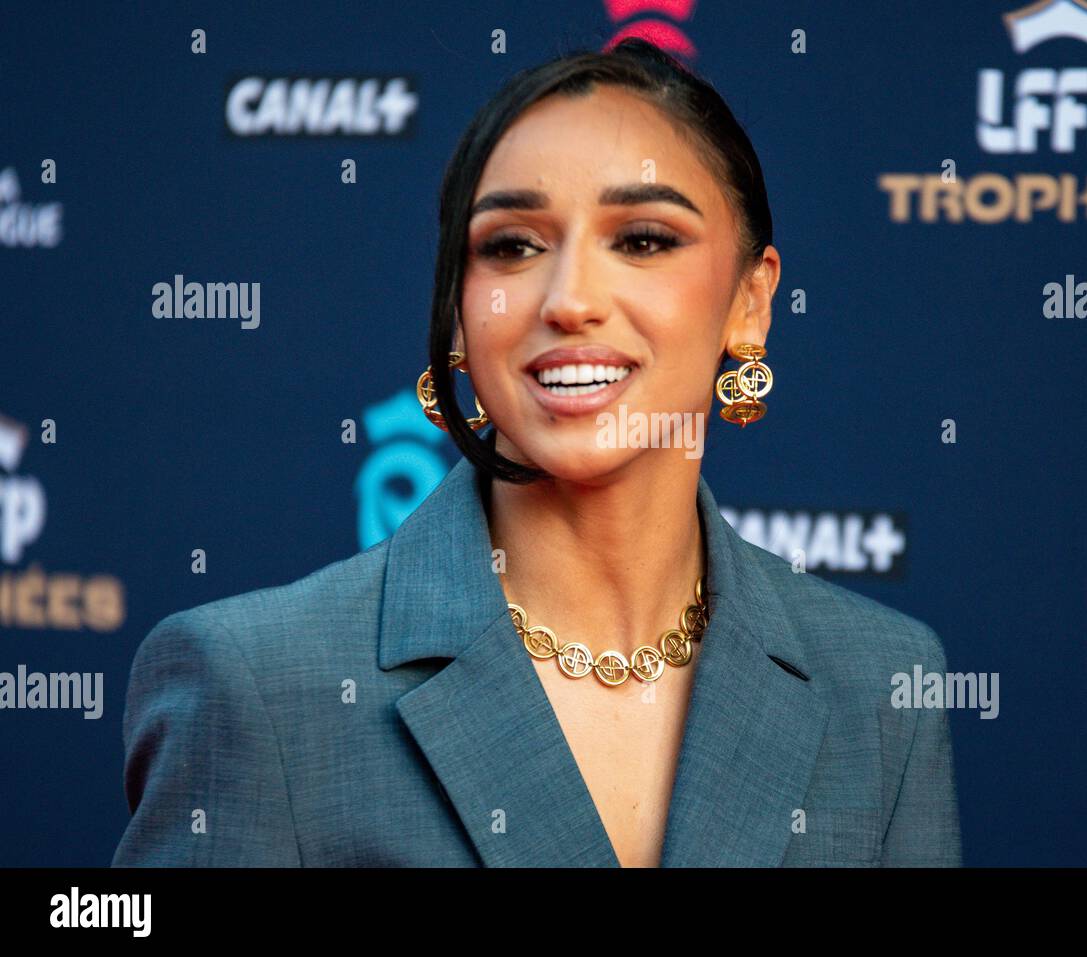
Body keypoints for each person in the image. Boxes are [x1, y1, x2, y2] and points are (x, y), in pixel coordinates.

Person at [112, 37, 960, 868]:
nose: (571, 300)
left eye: (643, 239)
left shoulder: (884, 684)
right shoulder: (258, 685)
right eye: (513, 245)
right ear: (457, 307)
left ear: (751, 301)